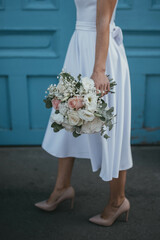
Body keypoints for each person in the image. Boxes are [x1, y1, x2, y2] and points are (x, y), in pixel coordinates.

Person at [35, 0, 133, 227]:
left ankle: (118, 201)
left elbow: (103, 21)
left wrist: (99, 70)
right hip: (79, 46)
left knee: (109, 127)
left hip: (101, 55)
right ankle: (62, 188)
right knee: (68, 114)